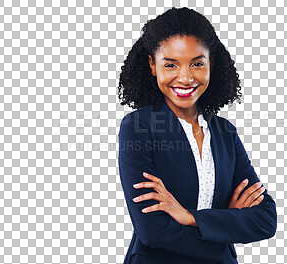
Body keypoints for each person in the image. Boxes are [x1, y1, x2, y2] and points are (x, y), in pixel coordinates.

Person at [117, 7, 277, 264]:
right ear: (152, 65)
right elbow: (153, 232)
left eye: (197, 63)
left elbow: (266, 219)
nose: (185, 77)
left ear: (210, 64)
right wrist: (225, 231)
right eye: (170, 64)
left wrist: (189, 217)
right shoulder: (138, 127)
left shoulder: (225, 133)